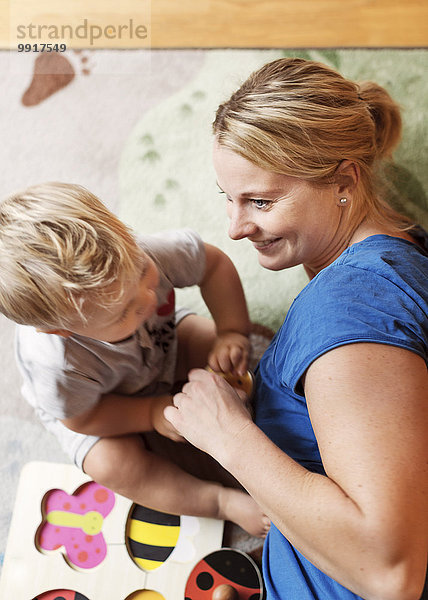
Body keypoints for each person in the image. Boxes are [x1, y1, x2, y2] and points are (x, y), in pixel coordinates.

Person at [165, 58, 428, 599]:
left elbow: (390, 573)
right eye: (229, 199)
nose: (235, 229)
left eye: (260, 201)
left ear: (345, 181)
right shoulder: (403, 251)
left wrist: (227, 435)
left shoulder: (351, 305)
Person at [0, 181, 270, 537]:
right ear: (63, 330)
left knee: (236, 357)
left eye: (142, 272)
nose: (147, 297)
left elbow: (213, 265)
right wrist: (152, 413)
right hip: (96, 405)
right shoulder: (55, 366)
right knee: (112, 465)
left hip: (162, 343)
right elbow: (84, 420)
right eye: (123, 310)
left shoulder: (140, 252)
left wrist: (231, 331)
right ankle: (219, 502)